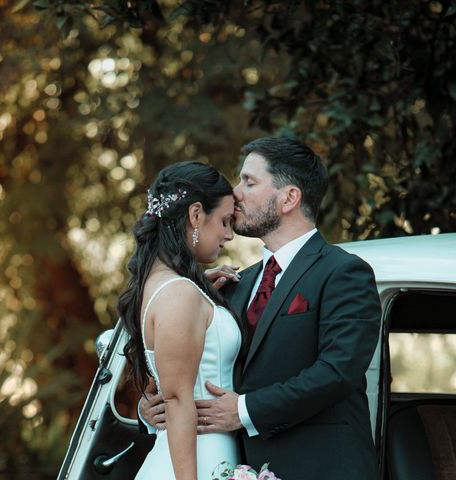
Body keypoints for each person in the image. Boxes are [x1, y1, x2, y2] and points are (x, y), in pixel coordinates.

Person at [142, 137, 382, 479]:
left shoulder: (343, 272)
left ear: (289, 198)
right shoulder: (236, 285)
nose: (235, 193)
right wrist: (151, 409)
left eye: (249, 182)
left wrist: (243, 410)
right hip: (232, 467)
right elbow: (203, 369)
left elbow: (337, 371)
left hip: (320, 468)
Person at [118, 161, 245, 480]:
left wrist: (200, 289)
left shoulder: (168, 287)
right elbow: (176, 400)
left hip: (206, 454)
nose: (229, 235)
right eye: (225, 221)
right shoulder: (180, 294)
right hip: (196, 461)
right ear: (196, 215)